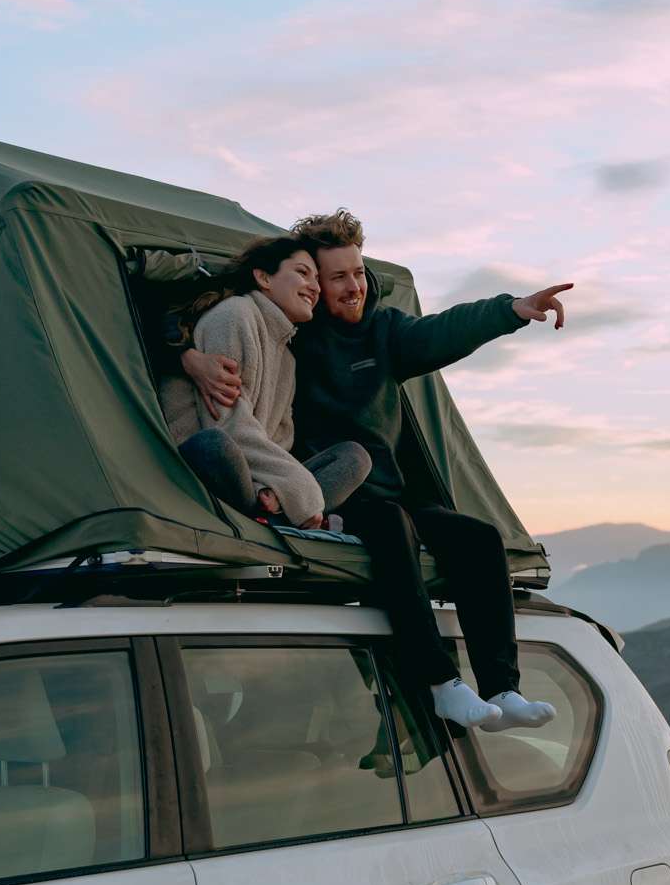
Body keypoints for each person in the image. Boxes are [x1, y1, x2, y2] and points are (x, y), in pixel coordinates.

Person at [185, 208, 570, 732]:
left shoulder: (384, 332)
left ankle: (503, 686)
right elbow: (195, 308)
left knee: (479, 538)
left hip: (390, 490)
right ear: (315, 283)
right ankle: (441, 683)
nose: (353, 287)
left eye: (359, 274)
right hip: (333, 494)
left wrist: (512, 310)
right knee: (392, 526)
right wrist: (186, 354)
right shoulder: (294, 330)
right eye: (337, 277)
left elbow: (441, 332)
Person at [161, 234, 370, 531]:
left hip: (254, 477)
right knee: (215, 445)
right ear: (264, 278)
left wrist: (276, 487)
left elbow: (280, 440)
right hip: (205, 465)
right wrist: (301, 490)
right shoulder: (234, 315)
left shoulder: (288, 356)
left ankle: (271, 513)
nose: (314, 286)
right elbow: (225, 425)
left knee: (354, 457)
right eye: (301, 273)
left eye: (316, 278)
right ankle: (281, 516)